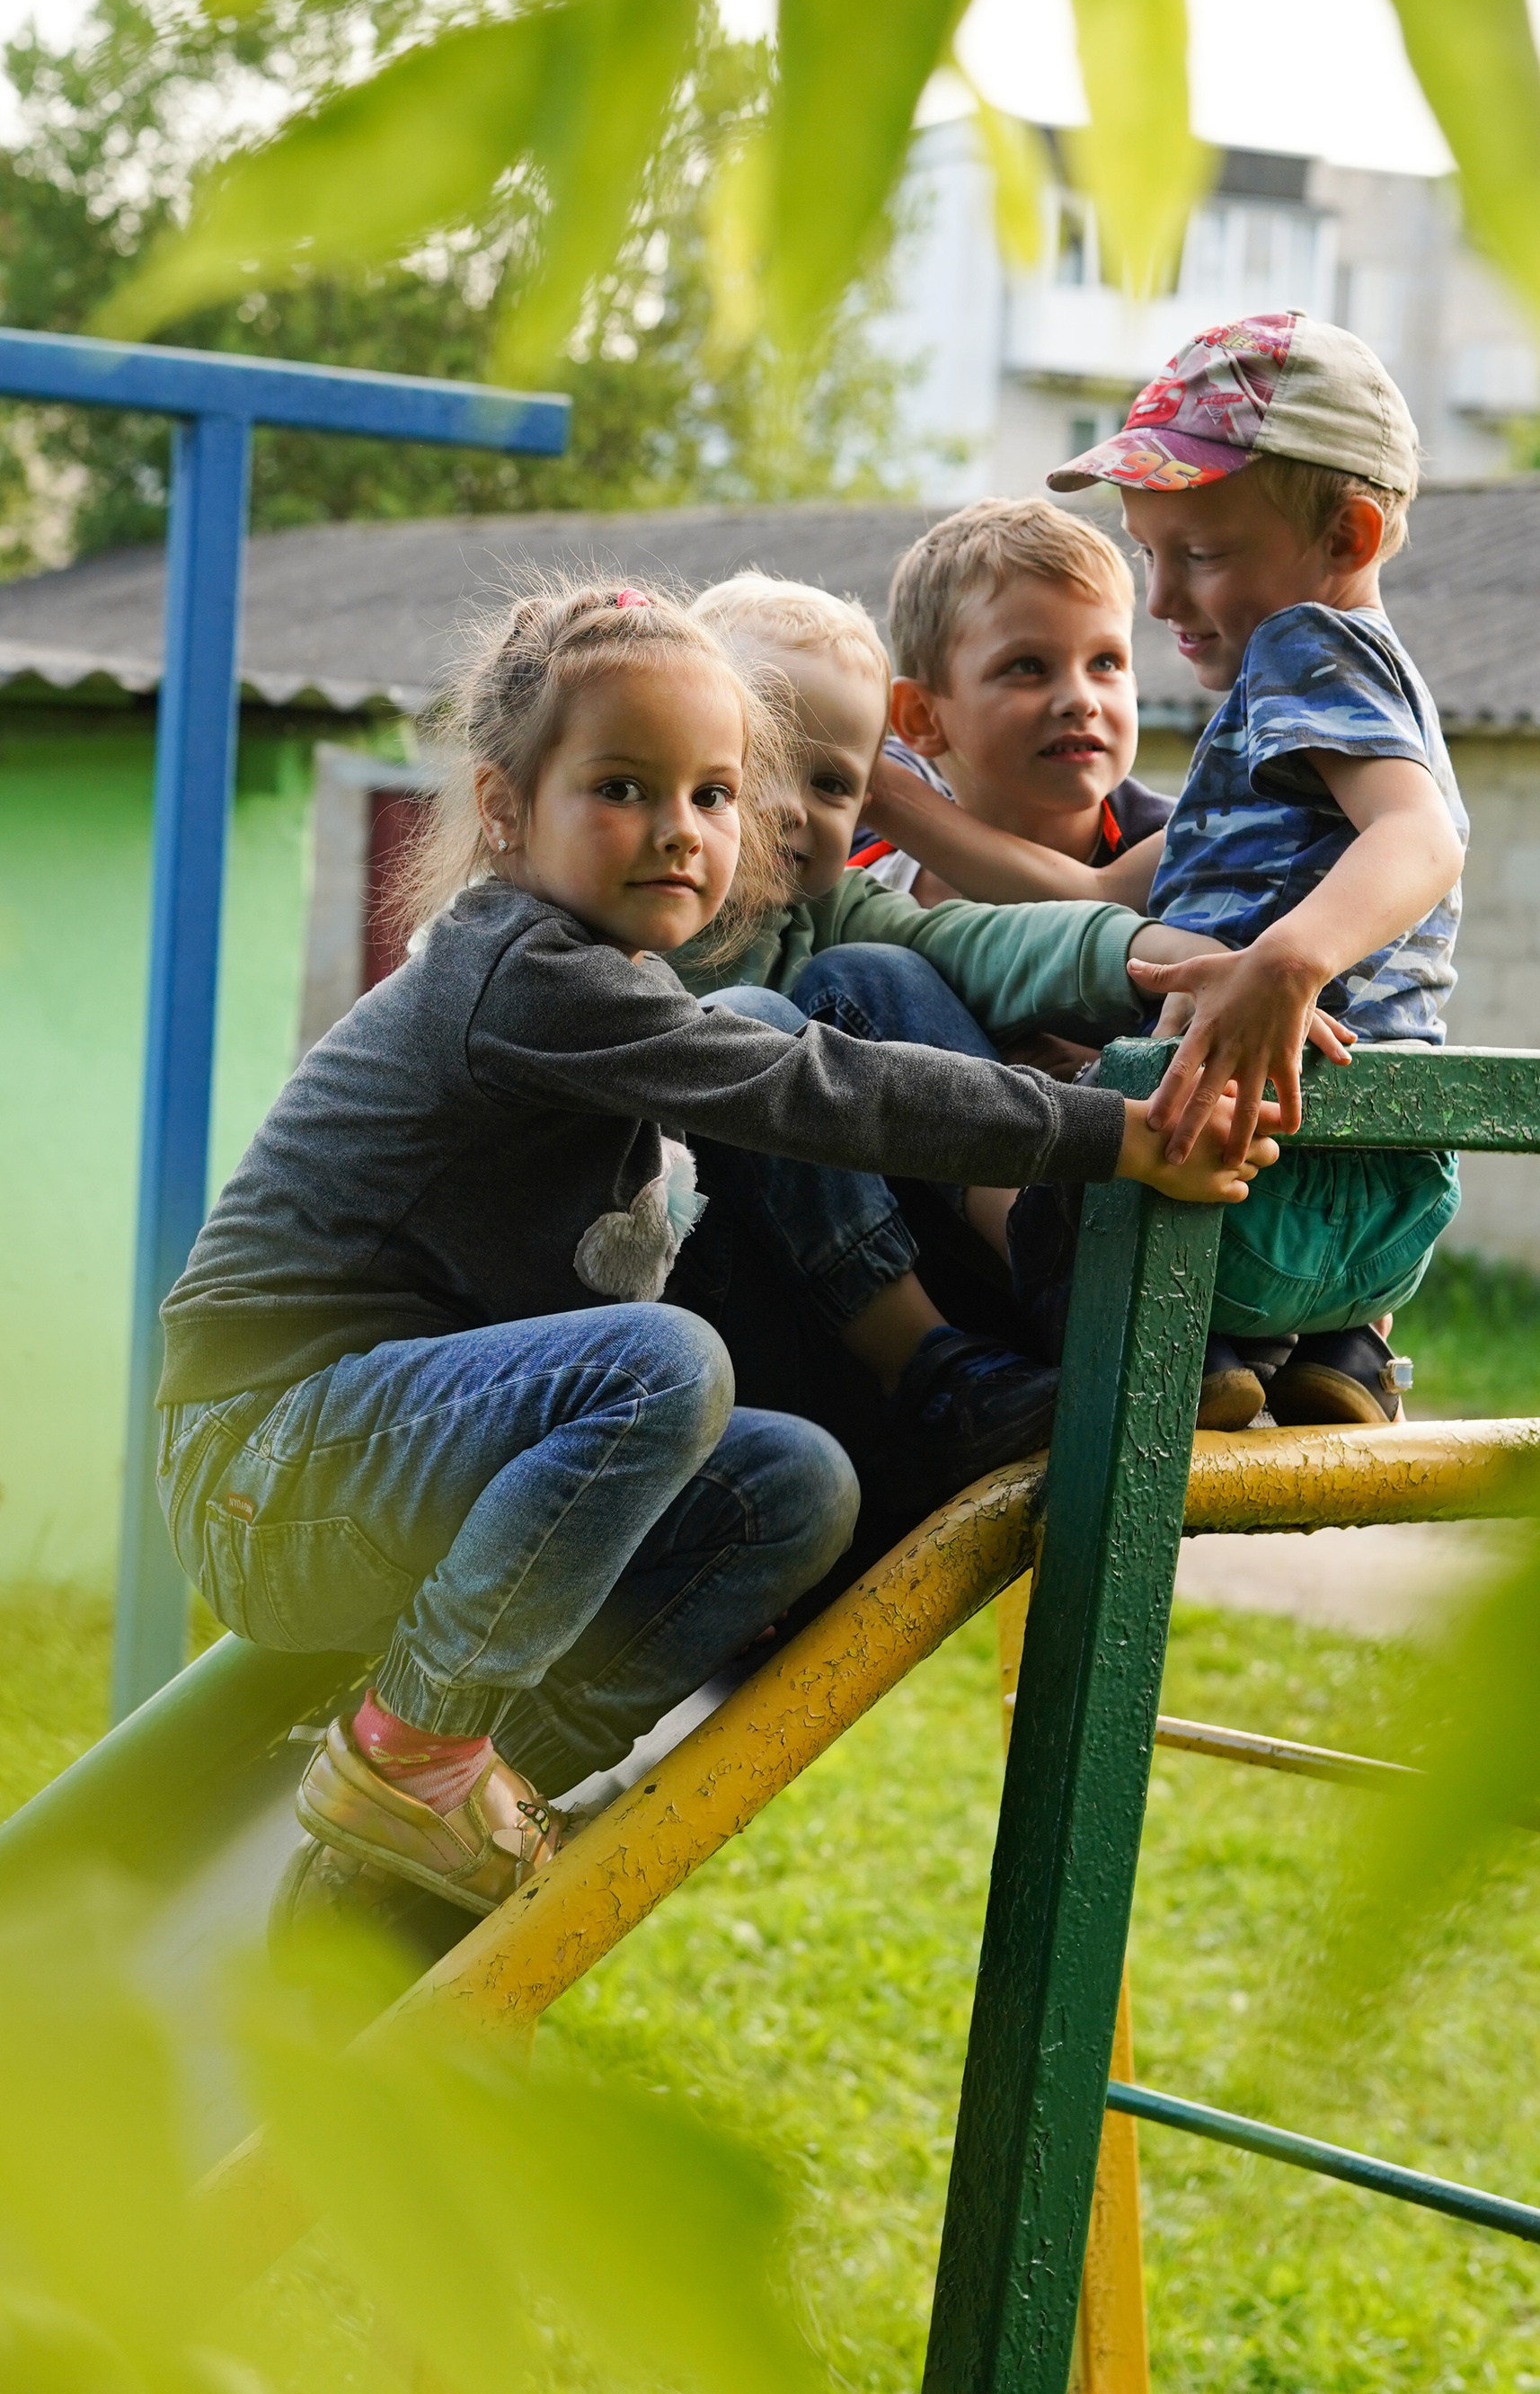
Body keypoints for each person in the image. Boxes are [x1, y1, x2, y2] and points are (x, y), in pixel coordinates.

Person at [156, 579, 1278, 1919]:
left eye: (713, 794)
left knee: (794, 1486)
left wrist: (1145, 964)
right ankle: (413, 1753)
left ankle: (467, 1807)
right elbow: (817, 1087)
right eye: (621, 789)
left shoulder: (622, 980)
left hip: (401, 1461)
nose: (678, 830)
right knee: (664, 1364)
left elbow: (912, 989)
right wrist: (1114, 1134)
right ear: (505, 808)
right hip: (262, 1464)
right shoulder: (522, 973)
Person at [663, 571, 1225, 1520]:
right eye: (761, 769)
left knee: (885, 970)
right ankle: (926, 1369)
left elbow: (980, 941)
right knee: (750, 1028)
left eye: (833, 784)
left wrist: (1156, 958)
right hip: (702, 1295)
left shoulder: (826, 907)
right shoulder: (610, 919)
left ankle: (1068, 1284)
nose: (796, 809)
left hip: (831, 1266)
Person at [1004, 309, 1467, 1430]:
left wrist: (1285, 963)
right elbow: (1098, 895)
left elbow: (1423, 837)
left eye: (1200, 555)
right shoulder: (1314, 739)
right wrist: (900, 806)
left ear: (1348, 536)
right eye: (1148, 553)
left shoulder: (1305, 644)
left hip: (1247, 1142)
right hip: (1387, 1183)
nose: (1161, 599)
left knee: (1045, 1178)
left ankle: (1189, 1354)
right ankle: (1335, 1351)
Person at [851, 501, 1176, 910]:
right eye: (1028, 667)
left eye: (1105, 663)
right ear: (921, 718)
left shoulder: (1194, 848)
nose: (1081, 700)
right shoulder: (849, 883)